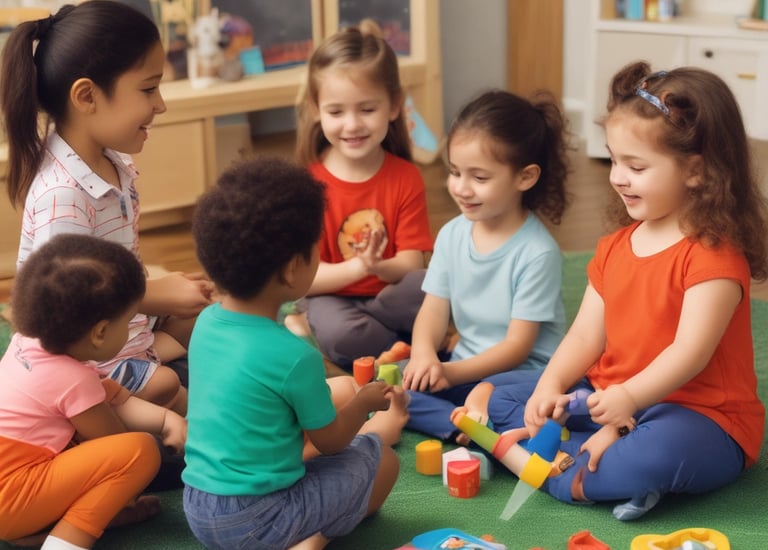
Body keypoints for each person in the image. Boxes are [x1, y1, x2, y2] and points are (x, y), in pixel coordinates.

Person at [480, 61, 768, 521]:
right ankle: (589, 457)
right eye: (613, 159)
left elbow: (689, 353)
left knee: (652, 455)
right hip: (609, 397)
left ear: (697, 171)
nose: (617, 177)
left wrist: (630, 401)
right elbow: (583, 338)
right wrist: (552, 386)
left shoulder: (714, 256)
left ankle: (553, 466)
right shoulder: (616, 247)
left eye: (635, 166)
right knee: (501, 396)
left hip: (701, 416)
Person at [0, 1, 214, 415]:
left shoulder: (113, 164)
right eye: (149, 89)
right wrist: (152, 296)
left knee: (209, 312)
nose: (161, 104)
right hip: (84, 353)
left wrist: (159, 292)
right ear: (86, 96)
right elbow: (71, 315)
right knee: (175, 390)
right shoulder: (62, 196)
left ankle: (159, 359)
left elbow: (120, 264)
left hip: (123, 324)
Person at [183, 157, 405, 550]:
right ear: (290, 270)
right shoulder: (293, 355)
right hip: (259, 517)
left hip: (199, 509)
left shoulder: (205, 323)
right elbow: (332, 441)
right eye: (316, 248)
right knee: (379, 459)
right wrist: (363, 402)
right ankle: (306, 537)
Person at [401, 89, 570, 441]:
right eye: (455, 172)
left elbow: (517, 347)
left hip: (521, 376)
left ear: (525, 177)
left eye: (479, 178)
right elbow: (433, 310)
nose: (461, 188)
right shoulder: (451, 234)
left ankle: (474, 423)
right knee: (392, 388)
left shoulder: (537, 252)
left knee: (505, 400)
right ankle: (469, 426)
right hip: (465, 368)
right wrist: (423, 356)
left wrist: (449, 374)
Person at [0, 233, 187, 550]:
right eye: (128, 321)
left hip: (14, 489)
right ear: (100, 332)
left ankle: (37, 530)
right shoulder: (72, 380)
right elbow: (114, 442)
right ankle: (65, 541)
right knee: (140, 451)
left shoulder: (27, 343)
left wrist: (167, 420)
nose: (130, 329)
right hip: (13, 498)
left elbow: (113, 398)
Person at [294, 19, 434, 371]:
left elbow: (411, 265)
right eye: (336, 112)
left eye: (367, 109)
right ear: (316, 110)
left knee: (433, 286)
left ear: (394, 105)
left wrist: (376, 266)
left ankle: (388, 341)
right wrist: (358, 267)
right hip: (331, 298)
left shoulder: (405, 177)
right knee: (346, 334)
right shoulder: (307, 183)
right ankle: (411, 342)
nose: (352, 125)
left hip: (391, 295)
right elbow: (304, 278)